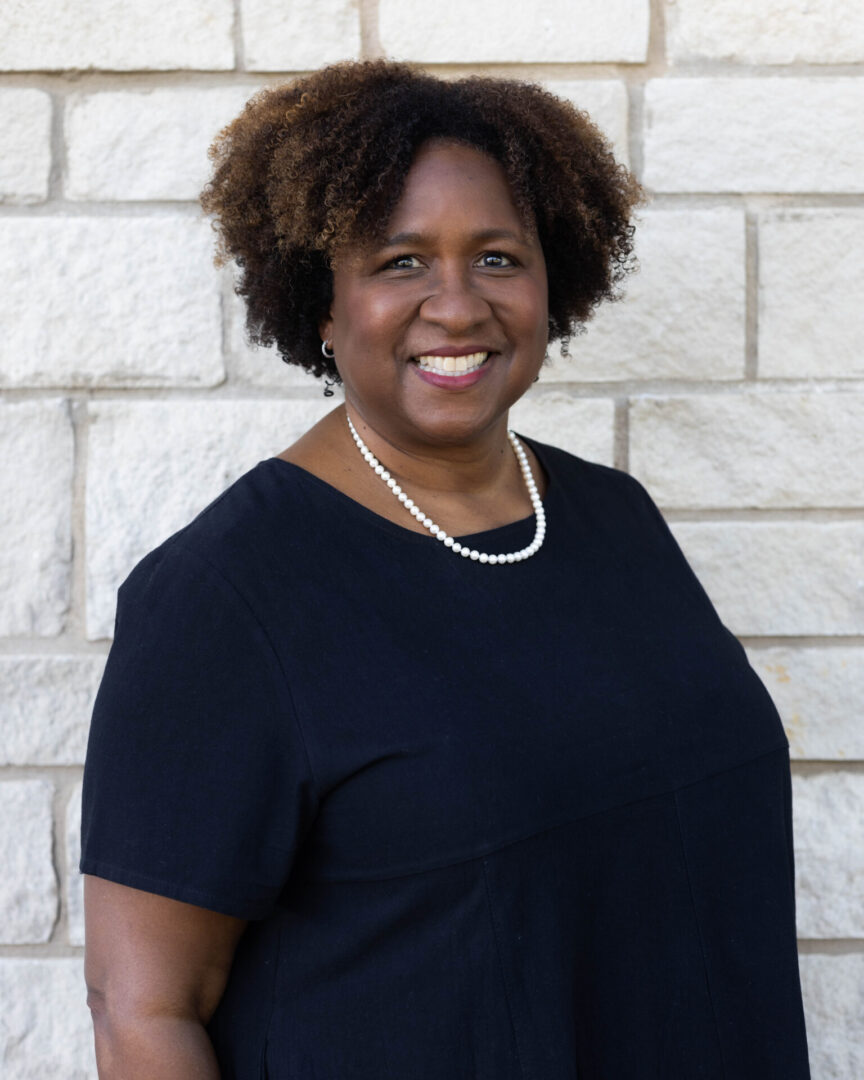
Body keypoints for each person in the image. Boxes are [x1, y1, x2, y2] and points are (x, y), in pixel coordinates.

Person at [80, 59, 811, 1078]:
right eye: (400, 262)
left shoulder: (611, 519)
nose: (457, 306)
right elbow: (143, 1010)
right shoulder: (226, 598)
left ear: (555, 280)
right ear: (321, 306)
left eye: (499, 258)